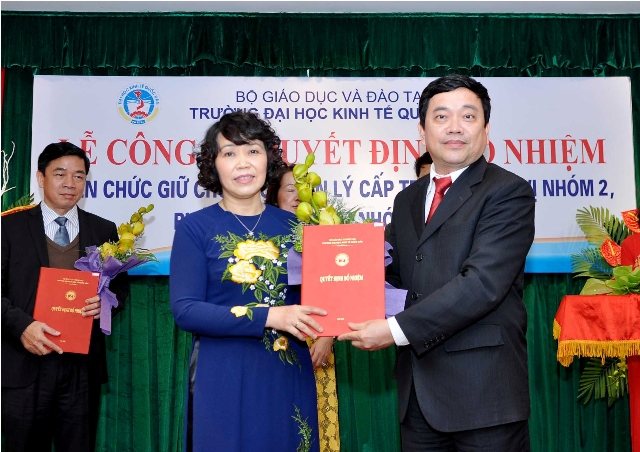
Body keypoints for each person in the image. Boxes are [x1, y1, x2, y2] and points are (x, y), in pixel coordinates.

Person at [339, 74, 535, 451]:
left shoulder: (508, 192)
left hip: (484, 396)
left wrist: (395, 330)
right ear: (422, 130)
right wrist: (336, 284)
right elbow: (394, 276)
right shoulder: (407, 200)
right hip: (418, 397)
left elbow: (481, 285)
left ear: (486, 129)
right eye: (441, 116)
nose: (455, 127)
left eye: (468, 116)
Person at [170, 111, 326, 452]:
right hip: (223, 373)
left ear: (268, 158)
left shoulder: (296, 228)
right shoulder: (195, 228)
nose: (243, 163)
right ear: (214, 165)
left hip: (286, 371)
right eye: (229, 153)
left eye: (253, 150)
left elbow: (322, 295)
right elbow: (186, 310)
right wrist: (271, 316)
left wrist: (333, 322)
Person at [1, 142, 130, 452]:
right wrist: (23, 327)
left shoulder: (103, 230)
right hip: (23, 363)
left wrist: (105, 303)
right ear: (40, 177)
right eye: (60, 174)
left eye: (79, 176)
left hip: (80, 368)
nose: (70, 183)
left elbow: (119, 288)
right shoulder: (8, 227)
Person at [266, 164, 341, 452]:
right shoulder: (260, 235)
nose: (298, 196)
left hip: (316, 339)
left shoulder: (324, 232)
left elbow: (339, 286)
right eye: (290, 189)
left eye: (305, 190)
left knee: (313, 421)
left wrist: (328, 335)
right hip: (270, 340)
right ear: (275, 196)